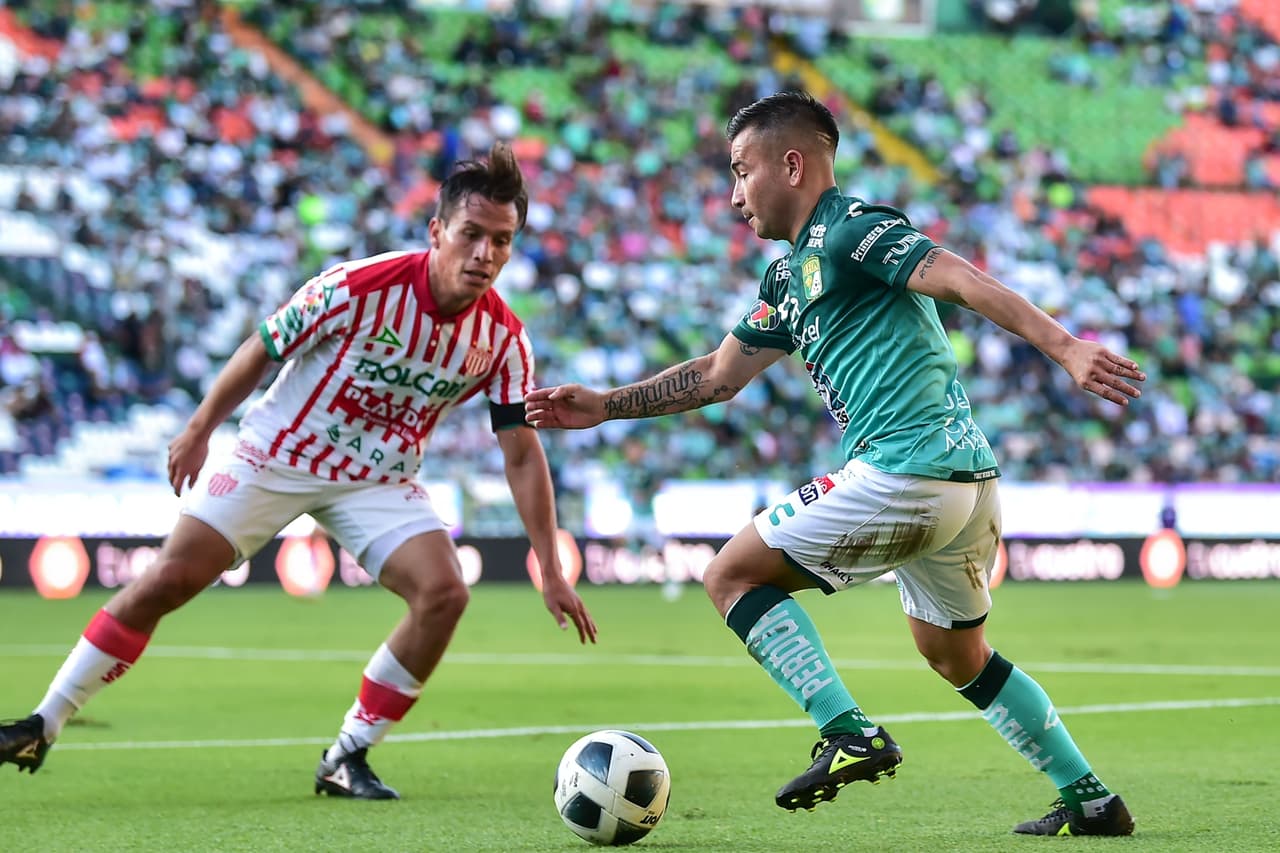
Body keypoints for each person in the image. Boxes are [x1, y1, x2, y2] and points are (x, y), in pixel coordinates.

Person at [525, 92, 1141, 837]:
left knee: (729, 574)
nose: (733, 196)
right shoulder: (787, 283)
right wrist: (605, 406)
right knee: (957, 655)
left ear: (792, 163)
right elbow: (719, 376)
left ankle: (848, 731)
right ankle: (1091, 796)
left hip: (906, 471)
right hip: (963, 485)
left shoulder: (853, 230)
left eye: (740, 171)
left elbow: (961, 280)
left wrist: (1067, 347)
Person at [0, 141, 598, 799]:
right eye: (472, 235)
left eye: (502, 241)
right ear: (437, 232)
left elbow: (520, 450)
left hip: (377, 476)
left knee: (446, 592)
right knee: (169, 578)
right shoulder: (357, 286)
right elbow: (262, 347)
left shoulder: (505, 339)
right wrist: (200, 428)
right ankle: (43, 721)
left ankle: (349, 754)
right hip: (276, 454)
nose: (486, 254)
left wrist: (549, 564)